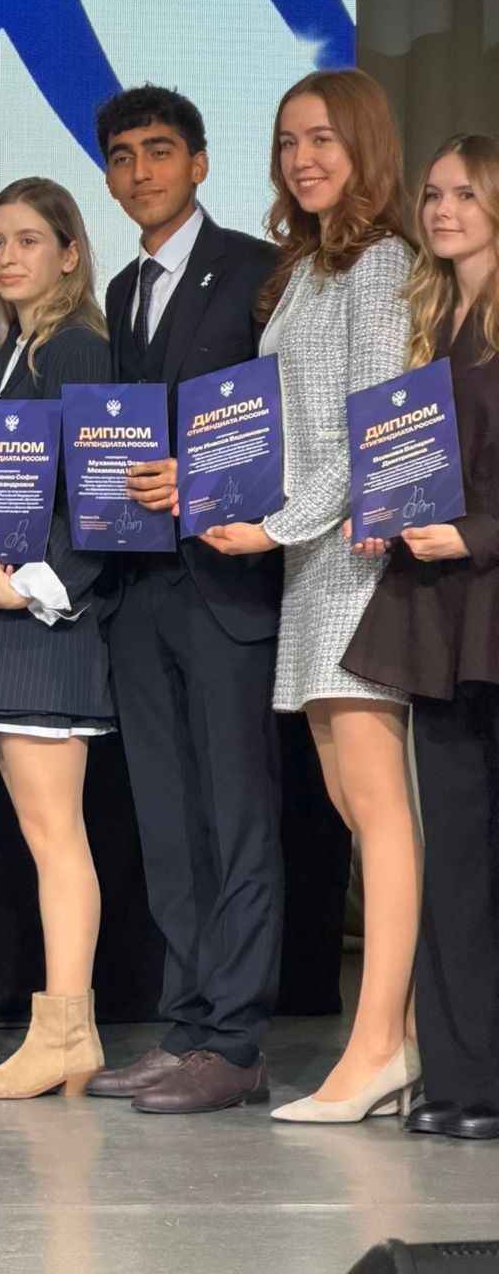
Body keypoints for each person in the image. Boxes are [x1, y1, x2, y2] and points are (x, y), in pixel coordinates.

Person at [202, 69, 420, 1122]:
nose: (302, 159)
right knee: (349, 806)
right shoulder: (306, 269)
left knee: (377, 812)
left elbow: (374, 429)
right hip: (312, 564)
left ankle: (376, 1049)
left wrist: (273, 523)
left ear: (365, 144)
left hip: (358, 564)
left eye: (323, 138)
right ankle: (401, 1037)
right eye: (289, 141)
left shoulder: (379, 264)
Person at [84, 85, 284, 1115]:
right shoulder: (121, 289)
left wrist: (198, 481)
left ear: (199, 164)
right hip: (140, 590)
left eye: (159, 151)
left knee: (235, 816)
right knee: (166, 822)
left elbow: (286, 421)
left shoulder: (258, 271)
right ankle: (189, 1025)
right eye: (123, 156)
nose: (141, 171)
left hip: (225, 582)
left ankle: (237, 1040)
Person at [0, 178, 114, 1100]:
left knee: (55, 837)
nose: (9, 257)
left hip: (46, 632)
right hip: (9, 628)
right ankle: (65, 1037)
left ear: (70, 254)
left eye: (31, 241)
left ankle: (66, 1036)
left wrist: (37, 586)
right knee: (44, 834)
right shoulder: (19, 348)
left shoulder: (77, 347)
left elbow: (105, 494)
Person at [343, 135, 499, 1141]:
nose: (442, 210)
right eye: (434, 194)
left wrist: (476, 534)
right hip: (440, 613)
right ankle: (462, 1077)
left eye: (465, 194)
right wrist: (382, 513)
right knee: (457, 857)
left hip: (487, 594)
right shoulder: (432, 327)